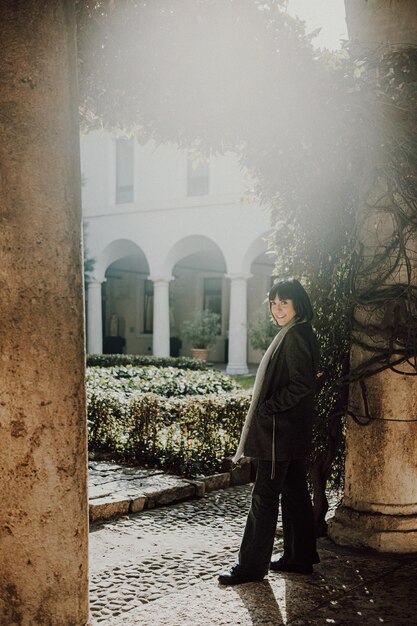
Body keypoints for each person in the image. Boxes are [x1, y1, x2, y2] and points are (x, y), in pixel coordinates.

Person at [218, 278, 320, 585]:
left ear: (297, 305)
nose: (277, 310)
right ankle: (298, 558)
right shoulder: (298, 332)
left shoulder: (295, 336)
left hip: (280, 432)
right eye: (273, 303)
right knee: (295, 493)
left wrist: (269, 407)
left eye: (283, 303)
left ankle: (250, 567)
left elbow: (302, 383)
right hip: (290, 432)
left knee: (264, 497)